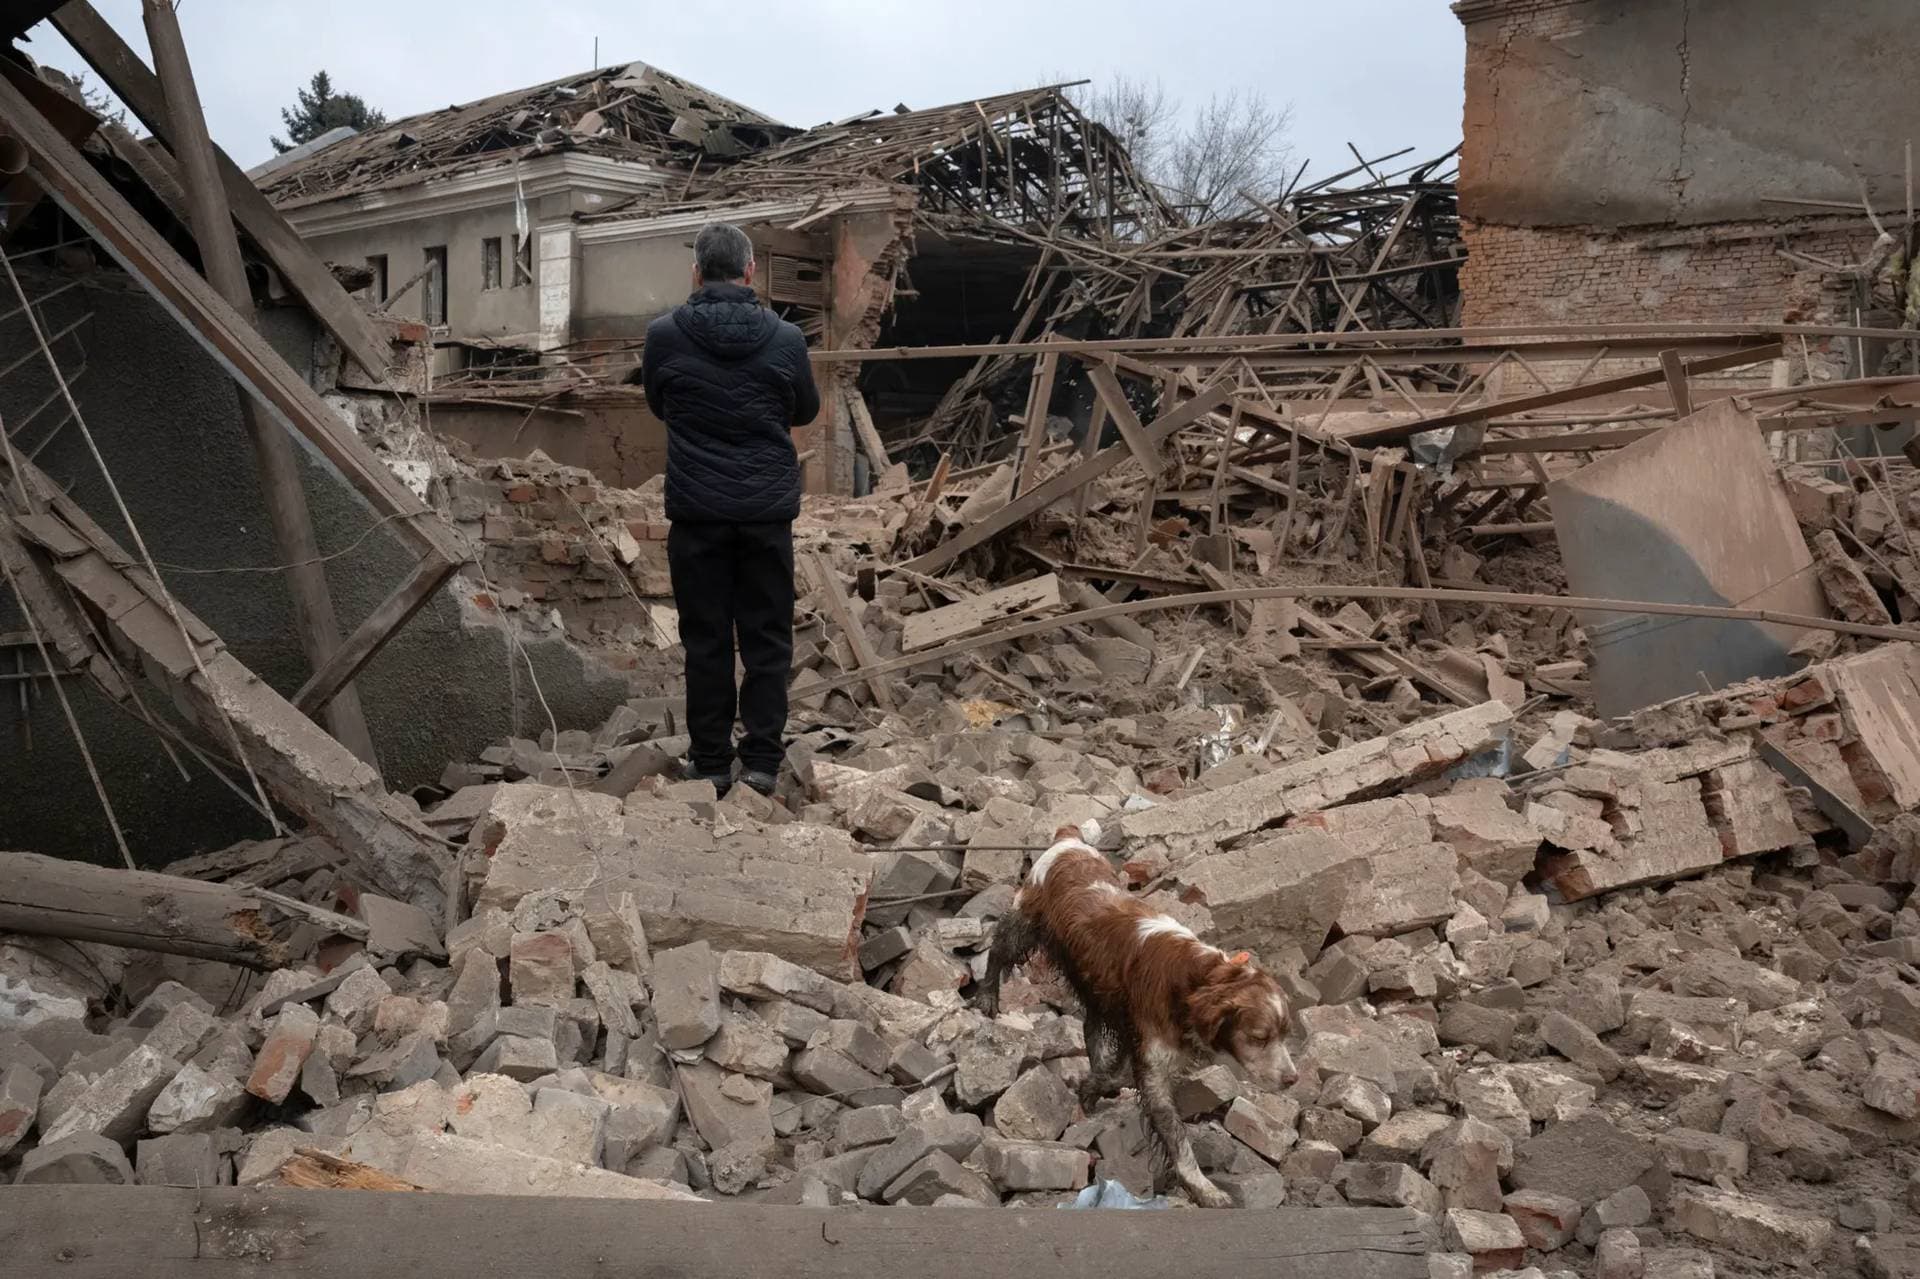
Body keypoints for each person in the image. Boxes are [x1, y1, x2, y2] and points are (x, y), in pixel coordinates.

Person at [636, 223, 819, 797]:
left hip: (698, 514)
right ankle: (762, 762)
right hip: (766, 514)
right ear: (750, 272)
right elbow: (807, 410)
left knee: (707, 640)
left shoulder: (663, 335)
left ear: (695, 273)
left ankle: (711, 763)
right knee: (768, 638)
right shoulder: (786, 338)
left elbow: (658, 403)